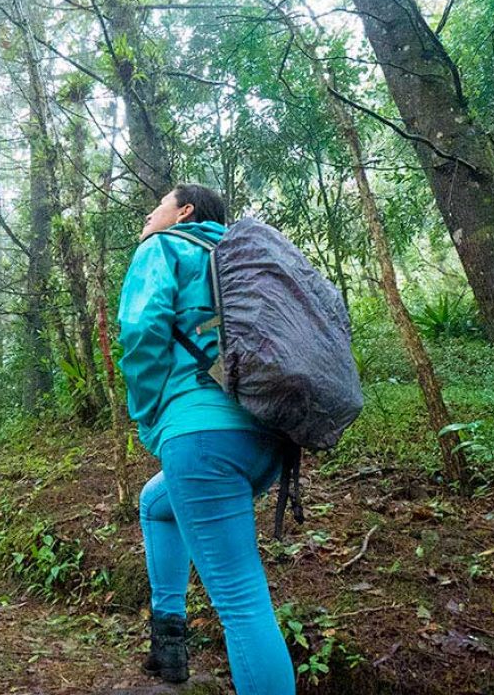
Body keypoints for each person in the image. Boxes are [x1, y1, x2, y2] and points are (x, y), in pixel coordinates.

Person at [117, 183, 296, 694]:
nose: (148, 217)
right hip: (268, 440)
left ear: (184, 212)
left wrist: (152, 414)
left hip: (202, 437)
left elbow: (142, 327)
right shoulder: (248, 260)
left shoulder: (165, 247)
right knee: (156, 503)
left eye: (156, 208)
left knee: (241, 601)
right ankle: (168, 641)